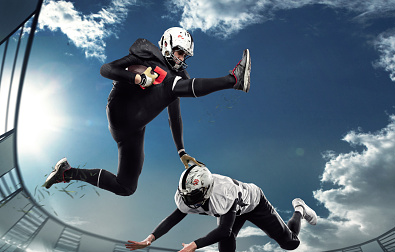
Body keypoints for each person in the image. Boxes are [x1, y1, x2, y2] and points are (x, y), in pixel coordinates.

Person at [42, 27, 251, 196]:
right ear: (168, 46)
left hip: (132, 129)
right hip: (121, 110)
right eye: (180, 52)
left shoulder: (175, 80)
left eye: (185, 55)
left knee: (126, 187)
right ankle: (233, 80)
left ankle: (67, 173)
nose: (181, 58)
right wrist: (137, 78)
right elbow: (106, 69)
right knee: (166, 80)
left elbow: (174, 115)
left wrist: (181, 151)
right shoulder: (146, 56)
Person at [125, 165, 317, 252]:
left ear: (208, 189)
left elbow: (224, 229)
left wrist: (195, 244)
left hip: (253, 203)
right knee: (225, 245)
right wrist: (150, 238)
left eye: (195, 197)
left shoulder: (222, 193)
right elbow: (175, 217)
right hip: (229, 209)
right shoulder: (188, 193)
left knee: (290, 243)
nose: (191, 202)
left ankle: (299, 208)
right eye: (188, 196)